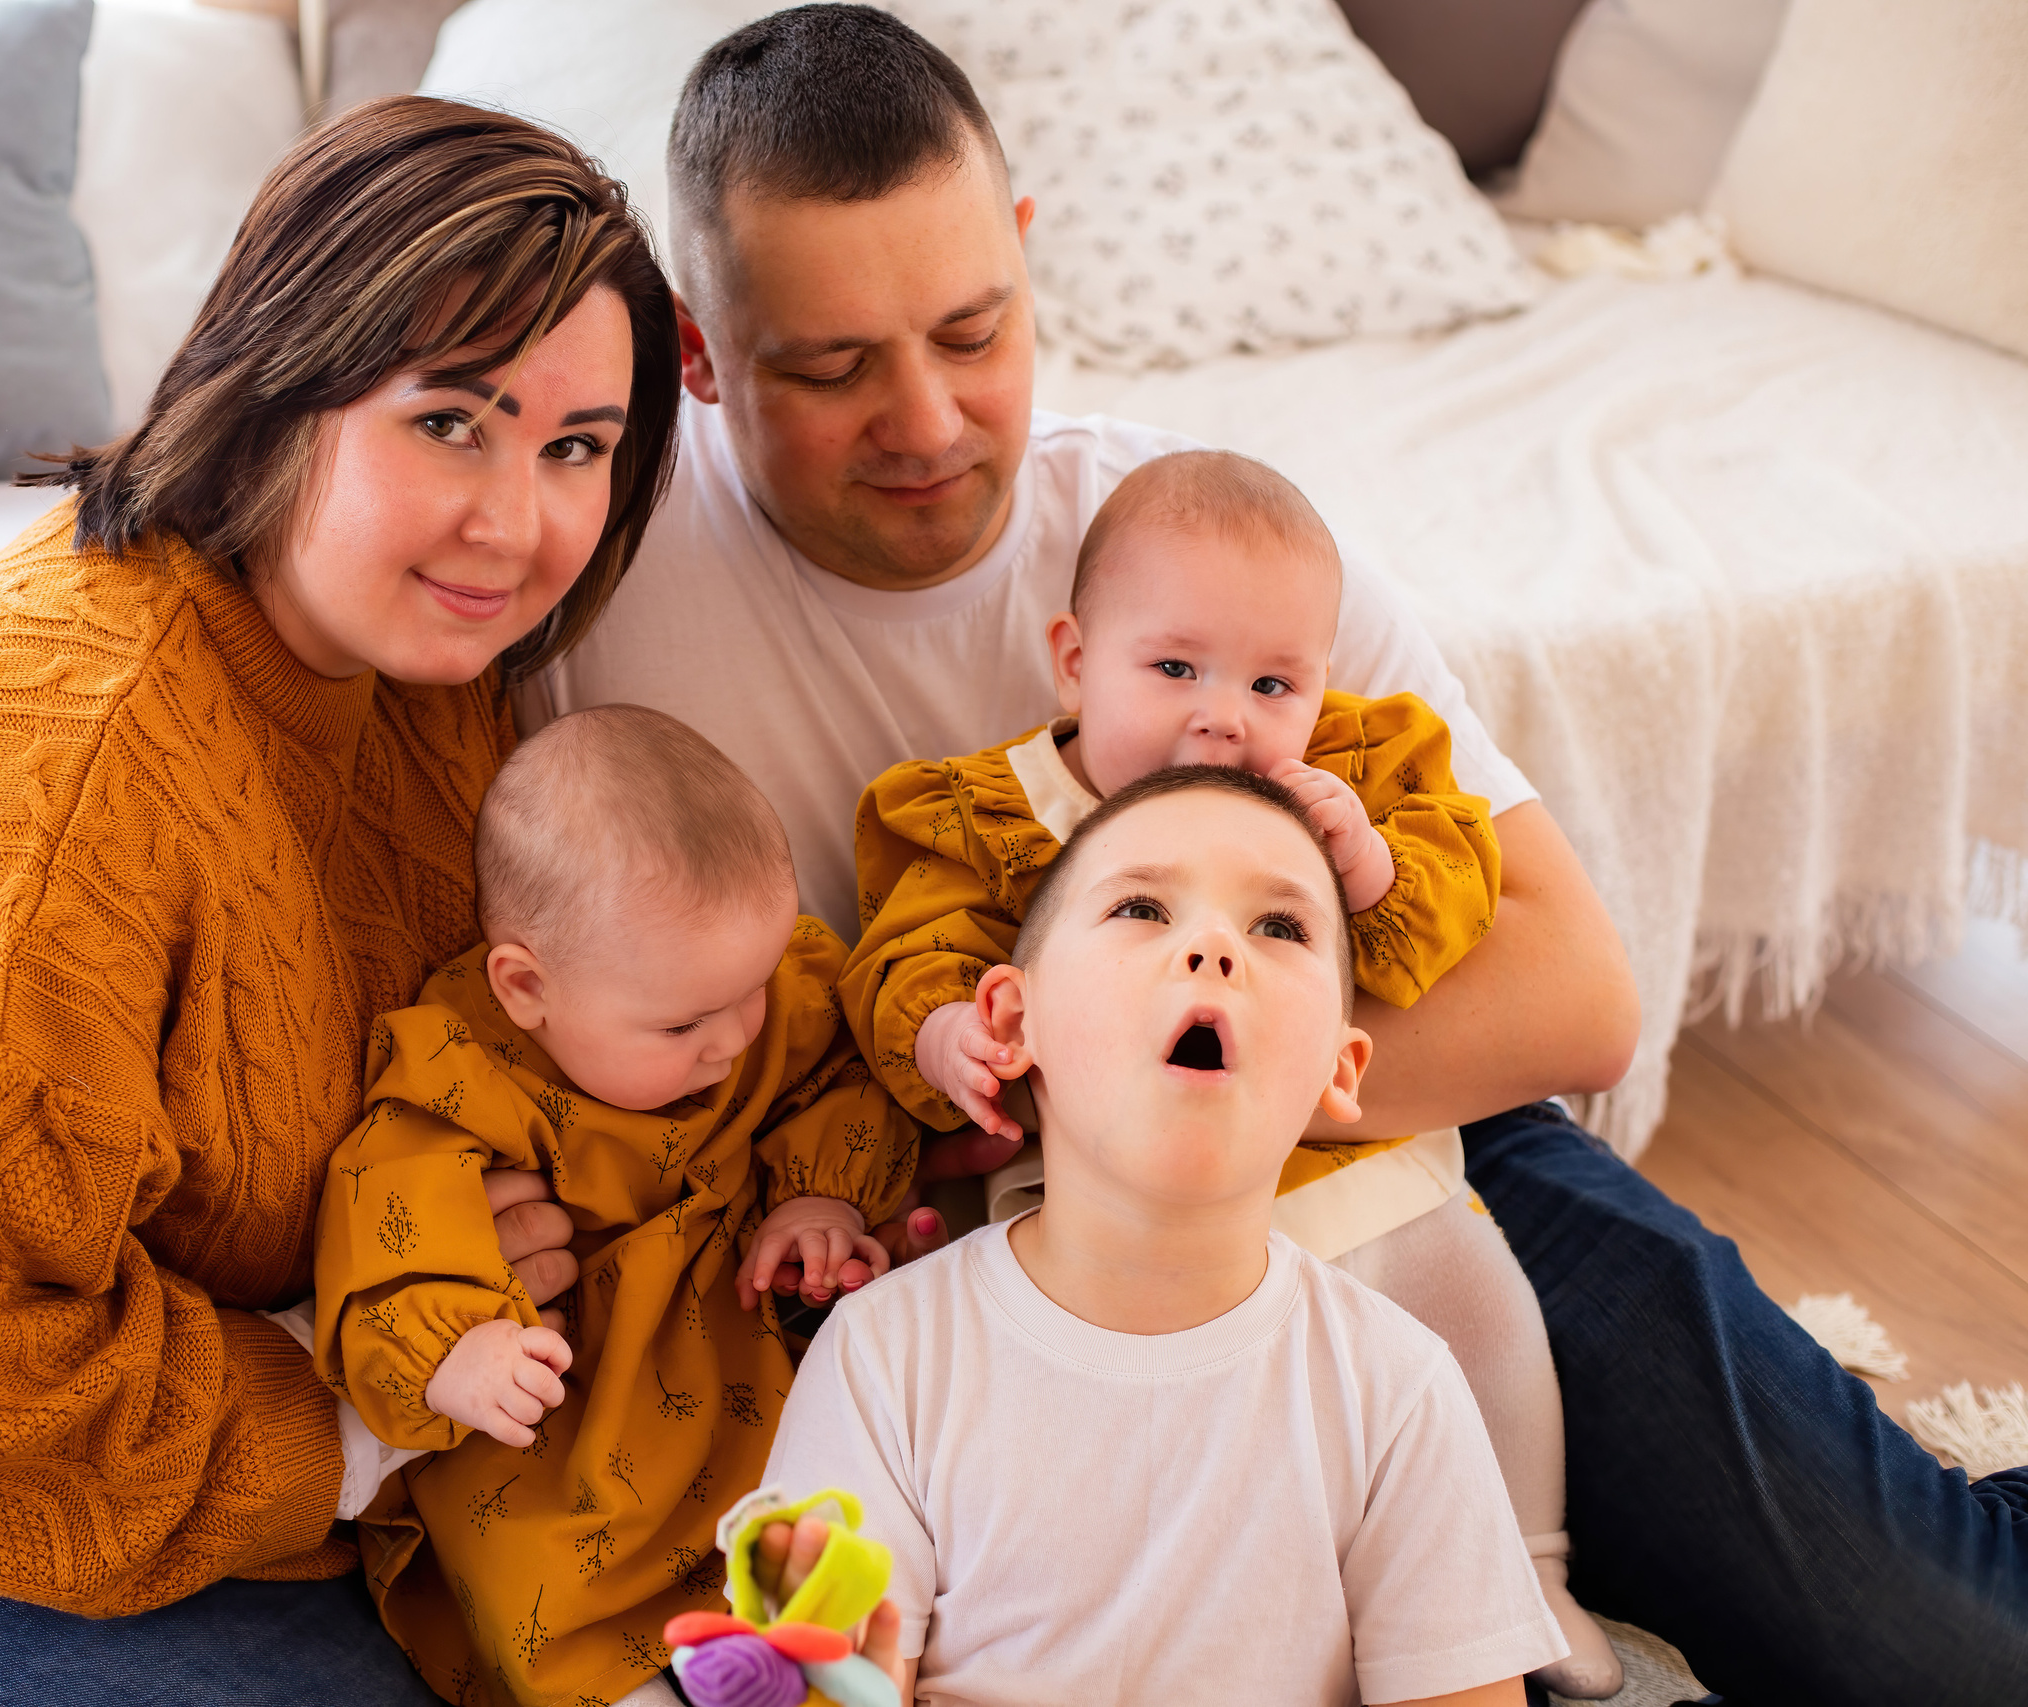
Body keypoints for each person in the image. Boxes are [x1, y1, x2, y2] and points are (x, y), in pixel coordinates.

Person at [526, 7, 2028, 1700]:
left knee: (1953, 1648)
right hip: (962, 1256)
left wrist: (1183, 1106)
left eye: (974, 330)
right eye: (829, 367)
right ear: (697, 348)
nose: (928, 420)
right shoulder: (593, 595)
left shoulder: (1197, 546)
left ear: (1028, 255)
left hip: (1400, 1174)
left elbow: (1578, 993)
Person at [0, 98, 680, 1707]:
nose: (517, 524)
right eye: (452, 420)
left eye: (576, 447)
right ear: (281, 378)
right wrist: (349, 1389)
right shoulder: (40, 770)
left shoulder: (422, 681)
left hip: (229, 1464)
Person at [840, 448, 1618, 1697]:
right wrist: (943, 1037)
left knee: (1479, 1313)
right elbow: (908, 951)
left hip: (1350, 1169)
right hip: (1112, 1223)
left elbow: (1454, 904)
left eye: (1271, 683)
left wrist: (1365, 867)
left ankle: (1527, 1566)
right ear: (1075, 661)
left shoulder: (1348, 783)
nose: (1223, 717)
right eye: (1174, 670)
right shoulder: (992, 814)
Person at [765, 765, 1567, 1706]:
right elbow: (817, 1680)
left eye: (1281, 927)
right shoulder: (883, 1354)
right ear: (1013, 1020)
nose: (1214, 946)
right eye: (1142, 908)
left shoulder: (1396, 1389)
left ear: (1340, 1069)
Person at [309, 704, 916, 1707]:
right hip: (566, 1426)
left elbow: (840, 1065)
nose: (732, 1039)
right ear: (525, 988)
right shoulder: (460, 1067)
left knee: (826, 1544)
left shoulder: (751, 997)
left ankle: (802, 1659)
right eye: (682, 1025)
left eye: (752, 988)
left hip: (736, 1372)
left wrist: (819, 1198)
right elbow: (391, 1202)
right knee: (545, 1587)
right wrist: (456, 1349)